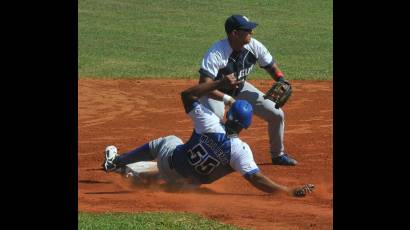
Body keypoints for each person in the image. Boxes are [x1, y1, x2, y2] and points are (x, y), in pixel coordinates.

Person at [102, 75, 314, 197]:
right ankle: (141, 178)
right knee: (182, 170)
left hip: (170, 166)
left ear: (228, 114)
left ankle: (116, 162)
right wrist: (288, 191)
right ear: (246, 126)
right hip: (184, 188)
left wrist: (220, 83)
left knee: (168, 141)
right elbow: (257, 179)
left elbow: (187, 94)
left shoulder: (210, 123)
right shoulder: (241, 151)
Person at [198, 15, 297, 165]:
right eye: (247, 30)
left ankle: (278, 155)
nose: (252, 32)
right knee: (215, 122)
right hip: (214, 94)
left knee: (276, 114)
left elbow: (271, 66)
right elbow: (203, 87)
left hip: (240, 88)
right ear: (234, 33)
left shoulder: (254, 45)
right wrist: (228, 100)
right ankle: (209, 157)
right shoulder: (216, 53)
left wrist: (281, 80)